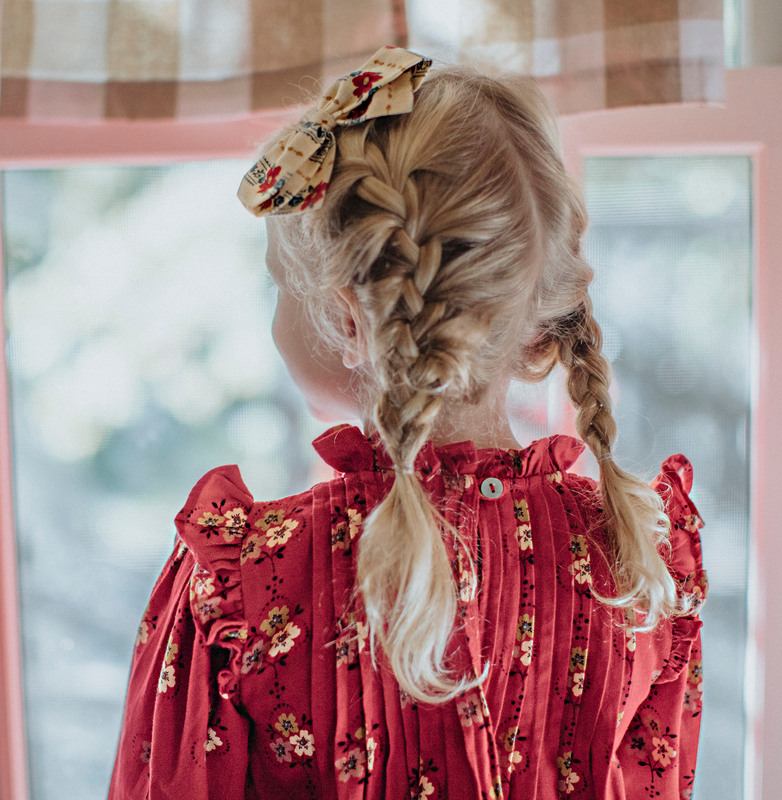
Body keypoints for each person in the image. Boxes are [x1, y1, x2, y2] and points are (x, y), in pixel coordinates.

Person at [109, 46, 706, 800]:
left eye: (277, 291)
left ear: (346, 319)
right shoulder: (644, 561)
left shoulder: (237, 580)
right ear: (534, 317)